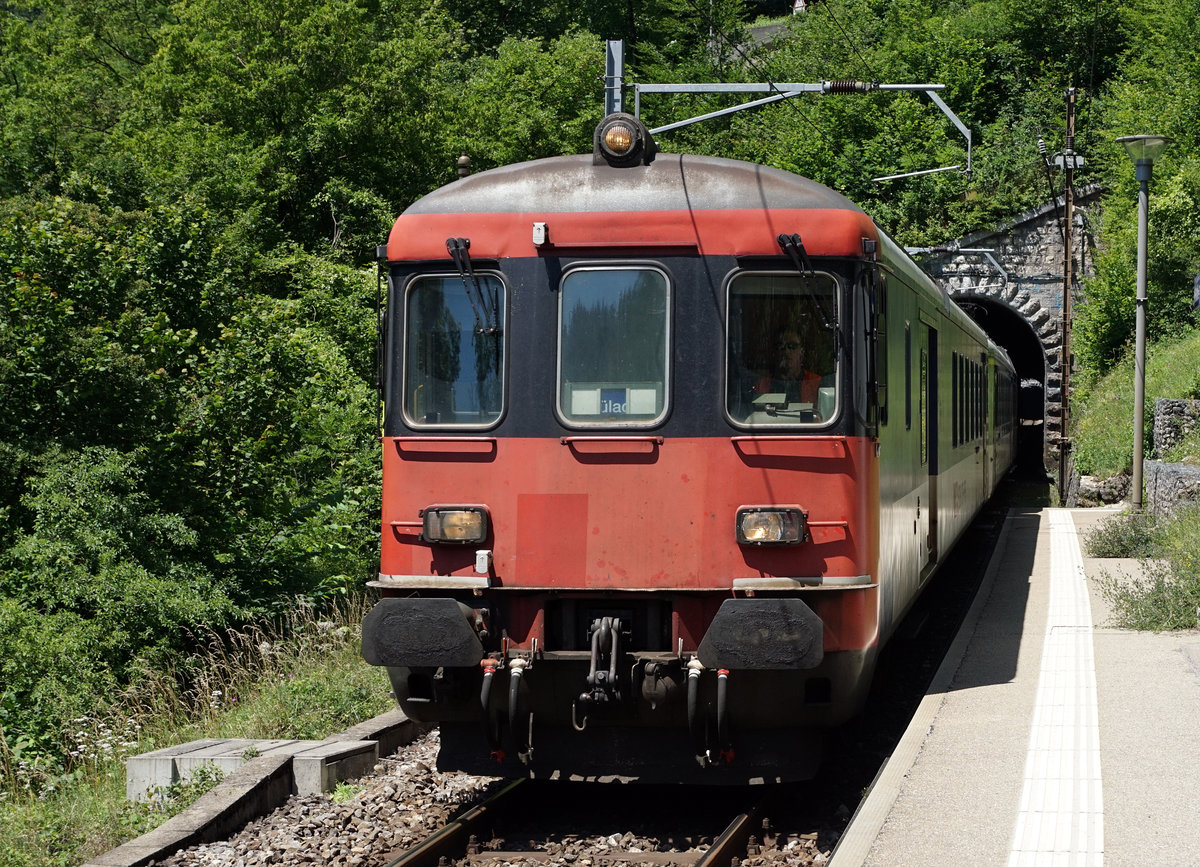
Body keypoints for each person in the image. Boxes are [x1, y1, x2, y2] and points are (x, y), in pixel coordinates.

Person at [753, 328, 823, 405]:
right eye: (781, 346)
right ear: (775, 352)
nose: (786, 351)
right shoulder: (762, 385)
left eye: (792, 346)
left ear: (801, 352)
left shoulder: (816, 383)